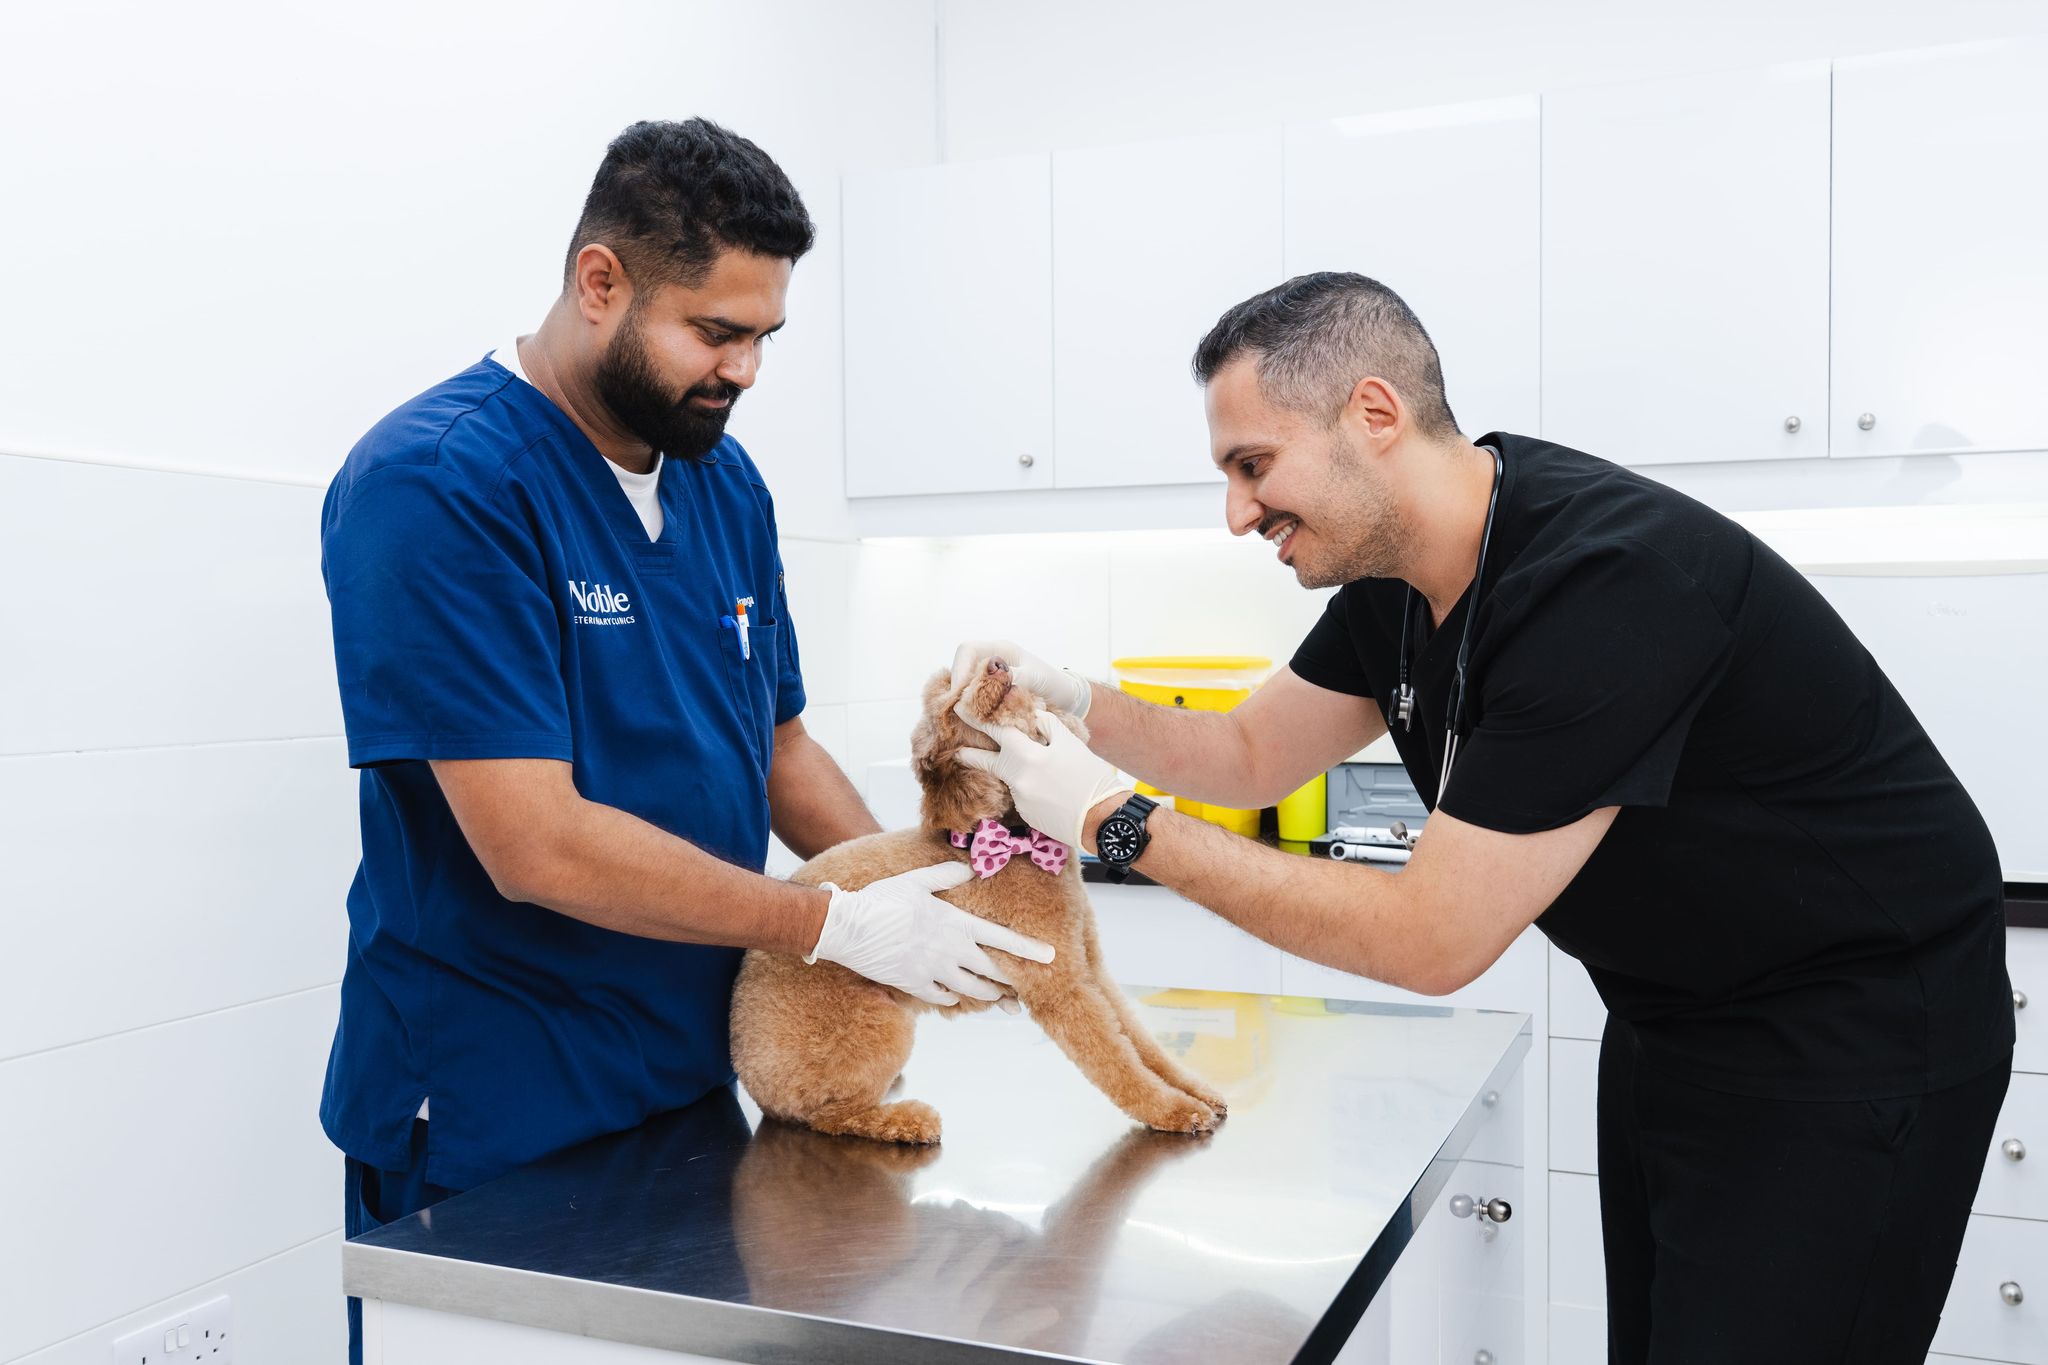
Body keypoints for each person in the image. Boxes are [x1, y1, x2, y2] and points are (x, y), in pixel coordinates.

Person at [952, 272, 2014, 1363]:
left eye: (1252, 465)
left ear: (1373, 414)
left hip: (1855, 1024)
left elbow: (1433, 940)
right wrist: (1072, 700)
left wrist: (1116, 823)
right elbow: (1249, 756)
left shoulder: (1604, 585)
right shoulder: (1399, 576)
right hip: (1674, 1013)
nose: (1235, 512)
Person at [321, 118, 1050, 1360]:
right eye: (715, 332)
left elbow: (778, 749)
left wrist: (930, 884)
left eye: (764, 336)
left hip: (692, 1076)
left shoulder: (722, 481)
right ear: (600, 282)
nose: (745, 370)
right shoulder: (438, 482)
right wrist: (830, 924)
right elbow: (536, 846)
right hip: (501, 1101)